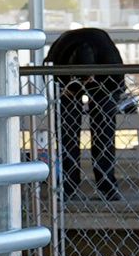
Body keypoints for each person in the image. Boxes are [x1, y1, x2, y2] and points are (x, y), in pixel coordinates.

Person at [45, 19, 126, 199]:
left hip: (103, 81)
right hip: (66, 83)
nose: (84, 85)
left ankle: (107, 185)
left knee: (103, 129)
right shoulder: (57, 55)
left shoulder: (109, 59)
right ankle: (68, 184)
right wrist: (66, 90)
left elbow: (117, 86)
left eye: (86, 80)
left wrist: (104, 98)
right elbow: (48, 81)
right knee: (66, 131)